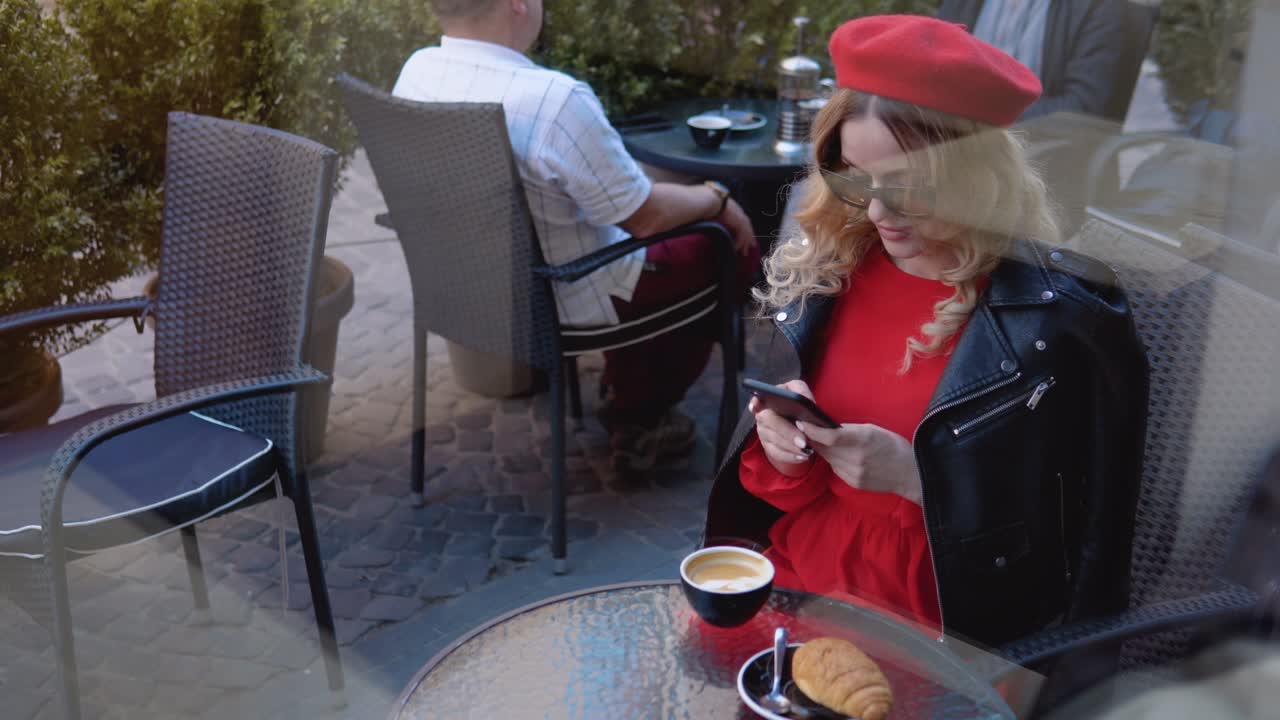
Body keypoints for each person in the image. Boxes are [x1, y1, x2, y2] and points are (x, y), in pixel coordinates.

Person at [703, 15, 1150, 649]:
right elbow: (793, 491)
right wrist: (781, 449)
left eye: (913, 188)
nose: (879, 212)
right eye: (858, 176)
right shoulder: (836, 267)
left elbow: (1081, 544)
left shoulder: (1060, 322)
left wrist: (922, 479)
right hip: (798, 581)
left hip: (945, 624)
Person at [393, 0, 760, 471]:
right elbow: (643, 217)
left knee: (656, 238)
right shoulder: (553, 99)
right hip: (560, 297)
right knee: (724, 246)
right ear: (518, 5)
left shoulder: (417, 71)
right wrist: (719, 199)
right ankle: (643, 412)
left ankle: (634, 385)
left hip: (464, 291)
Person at [937, 0, 1141, 124]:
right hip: (953, 146)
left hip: (1043, 164)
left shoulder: (1105, 7)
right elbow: (936, 65)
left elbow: (1084, 110)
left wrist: (980, 113)